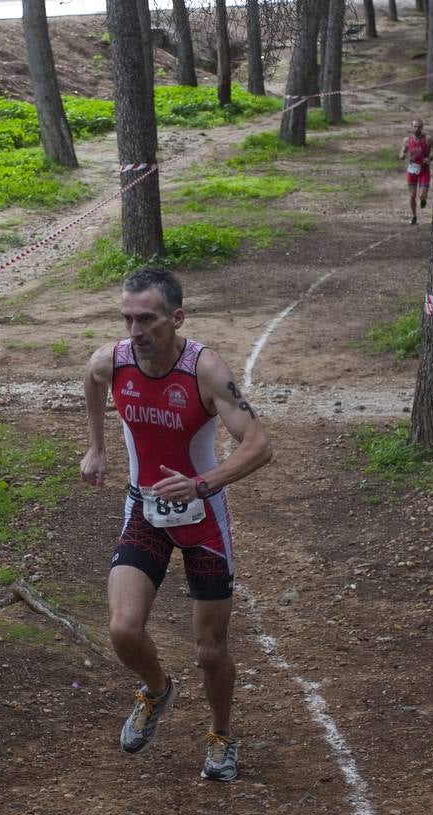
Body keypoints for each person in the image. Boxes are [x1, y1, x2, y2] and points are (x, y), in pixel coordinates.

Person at [80, 266, 272, 782]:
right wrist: (97, 449)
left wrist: (203, 483)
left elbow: (258, 445)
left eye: (147, 318)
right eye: (127, 318)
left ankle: (221, 734)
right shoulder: (114, 361)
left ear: (177, 317)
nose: (135, 330)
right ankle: (158, 689)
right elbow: (91, 380)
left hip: (203, 521)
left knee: (210, 651)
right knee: (123, 629)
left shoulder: (204, 370)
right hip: (145, 512)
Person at [399, 118, 433, 225]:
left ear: (422, 127)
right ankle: (414, 216)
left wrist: (430, 158)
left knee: (421, 195)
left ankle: (423, 199)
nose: (417, 129)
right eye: (415, 126)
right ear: (411, 127)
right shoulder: (407, 140)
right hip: (412, 169)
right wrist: (402, 155)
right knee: (412, 195)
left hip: (424, 169)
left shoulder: (428, 139)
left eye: (420, 126)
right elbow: (402, 152)